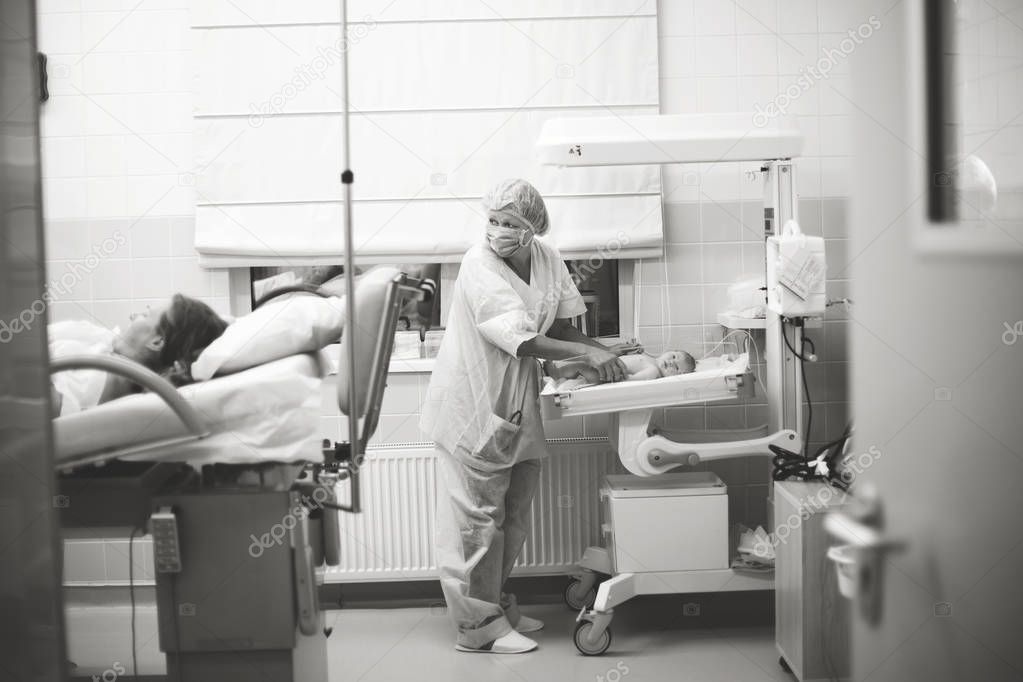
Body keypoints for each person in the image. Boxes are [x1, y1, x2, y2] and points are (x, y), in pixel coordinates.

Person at [420, 178, 633, 654]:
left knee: (512, 516)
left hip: (517, 402)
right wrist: (587, 355)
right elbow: (522, 338)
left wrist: (605, 351)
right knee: (479, 520)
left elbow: (555, 322)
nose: (497, 229)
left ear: (531, 227)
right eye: (493, 219)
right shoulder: (478, 264)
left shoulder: (546, 258)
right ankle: (478, 629)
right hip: (474, 405)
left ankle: (496, 604)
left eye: (509, 222)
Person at [50, 293, 227, 415]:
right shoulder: (104, 348)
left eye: (144, 315)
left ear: (156, 341)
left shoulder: (92, 380)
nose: (132, 316)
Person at [545, 349, 696, 385]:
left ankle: (556, 373)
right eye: (674, 357)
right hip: (608, 368)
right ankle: (564, 374)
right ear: (669, 350)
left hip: (608, 374)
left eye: (676, 368)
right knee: (582, 365)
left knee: (581, 366)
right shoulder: (651, 358)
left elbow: (633, 380)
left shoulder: (654, 371)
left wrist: (620, 376)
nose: (671, 362)